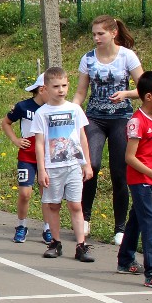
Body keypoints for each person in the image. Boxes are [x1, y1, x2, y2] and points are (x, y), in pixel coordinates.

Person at [71, 15, 143, 246]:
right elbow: (81, 92)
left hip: (121, 117)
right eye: (93, 34)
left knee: (119, 172)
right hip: (94, 117)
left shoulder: (127, 56)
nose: (96, 38)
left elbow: (144, 88)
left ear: (113, 33)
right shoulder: (88, 58)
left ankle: (120, 228)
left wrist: (126, 94)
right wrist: (71, 111)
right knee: (91, 165)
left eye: (100, 33)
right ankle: (85, 218)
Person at [116, 71, 152, 290]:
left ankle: (125, 260)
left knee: (137, 218)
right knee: (151, 220)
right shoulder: (136, 122)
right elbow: (130, 158)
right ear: (149, 97)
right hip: (140, 179)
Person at [31, 66, 94, 262]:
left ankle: (81, 245)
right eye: (56, 86)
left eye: (64, 86)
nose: (61, 90)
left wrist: (87, 164)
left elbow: (82, 137)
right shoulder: (42, 113)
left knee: (75, 205)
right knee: (53, 205)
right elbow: (39, 143)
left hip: (73, 165)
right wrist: (41, 169)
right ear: (45, 88)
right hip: (53, 167)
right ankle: (55, 242)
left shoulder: (74, 109)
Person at [1, 71, 52, 245]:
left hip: (47, 156)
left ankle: (48, 228)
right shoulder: (23, 106)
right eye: (52, 89)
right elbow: (6, 122)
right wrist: (15, 140)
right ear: (42, 89)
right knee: (25, 193)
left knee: (47, 193)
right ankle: (21, 226)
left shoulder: (54, 108)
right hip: (27, 155)